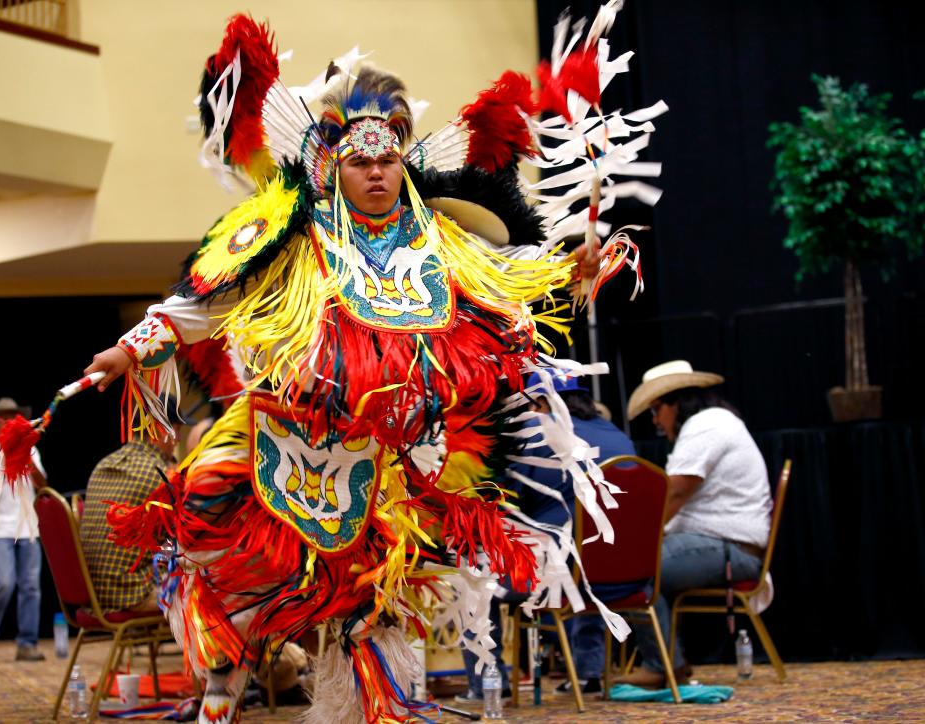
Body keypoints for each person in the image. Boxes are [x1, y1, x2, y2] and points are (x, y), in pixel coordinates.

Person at [75, 15, 645, 724]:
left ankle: (361, 706)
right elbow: (205, 302)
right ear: (333, 166)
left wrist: (574, 267)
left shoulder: (440, 240)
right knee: (203, 537)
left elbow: (513, 276)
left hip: (377, 457)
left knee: (372, 602)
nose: (376, 172)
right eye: (359, 161)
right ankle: (222, 676)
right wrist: (129, 348)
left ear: (404, 160)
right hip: (278, 431)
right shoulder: (296, 233)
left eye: (387, 160)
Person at [457, 371, 637, 699]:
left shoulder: (536, 433)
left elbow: (500, 504)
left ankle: (486, 686)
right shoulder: (620, 437)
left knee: (473, 574)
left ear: (540, 402)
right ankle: (588, 674)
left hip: (561, 573)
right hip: (626, 570)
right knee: (584, 550)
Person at [620, 360, 773, 687]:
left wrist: (638, 541)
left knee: (631, 567)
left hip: (732, 550)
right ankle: (667, 662)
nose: (657, 421)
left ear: (677, 401)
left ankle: (662, 666)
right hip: (719, 544)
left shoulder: (707, 425)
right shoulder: (708, 423)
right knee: (633, 561)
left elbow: (675, 491)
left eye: (656, 409)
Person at [79, 401, 182, 613]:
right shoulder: (160, 474)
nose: (177, 441)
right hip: (131, 594)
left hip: (93, 594)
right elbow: (186, 530)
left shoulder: (104, 464)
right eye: (176, 432)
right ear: (161, 429)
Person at [0, 398, 47, 662]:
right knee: (3, 583)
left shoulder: (30, 449)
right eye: (1, 417)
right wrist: (3, 457)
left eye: (11, 417)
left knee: (31, 587)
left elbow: (42, 485)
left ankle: (27, 643)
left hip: (27, 527)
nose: (6, 421)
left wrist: (25, 456)